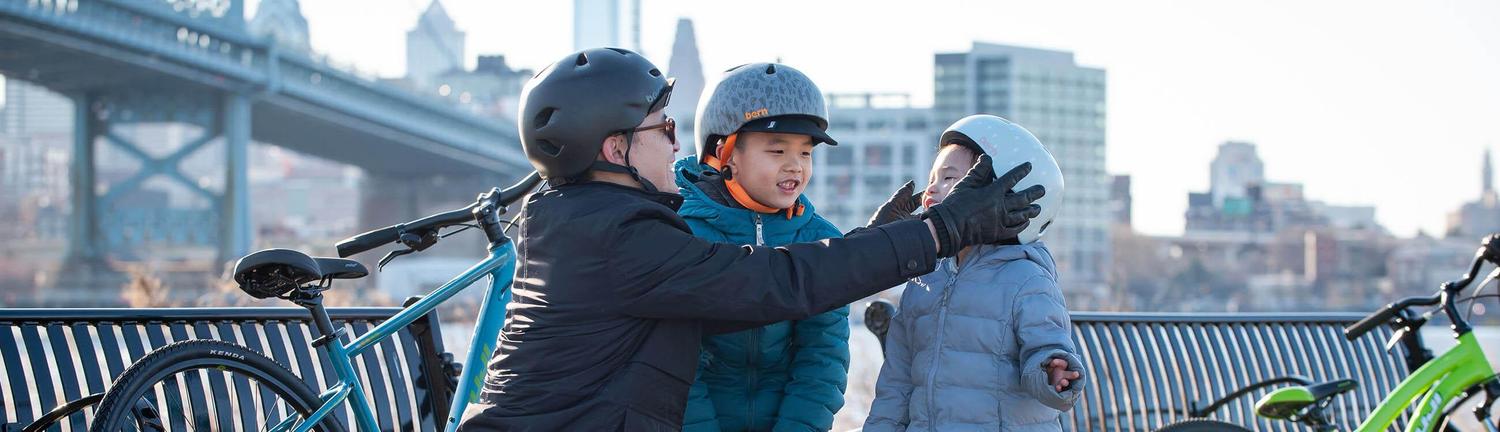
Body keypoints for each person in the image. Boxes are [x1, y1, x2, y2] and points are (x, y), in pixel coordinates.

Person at [457, 49, 1044, 431]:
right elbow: (770, 283)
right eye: (663, 129)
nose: (675, 142)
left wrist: (877, 240)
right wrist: (938, 230)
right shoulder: (620, 239)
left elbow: (773, 284)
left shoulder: (587, 224)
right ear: (616, 150)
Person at [863, 114, 1085, 432]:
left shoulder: (1025, 278)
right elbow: (897, 378)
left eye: (949, 179)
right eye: (932, 178)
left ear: (1003, 194)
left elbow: (1046, 344)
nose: (930, 190)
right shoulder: (924, 278)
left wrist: (1053, 371)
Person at [675, 63, 849, 432]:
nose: (795, 167)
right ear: (725, 153)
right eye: (776, 150)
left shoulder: (819, 240)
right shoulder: (681, 233)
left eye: (805, 153)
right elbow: (675, 361)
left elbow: (823, 361)